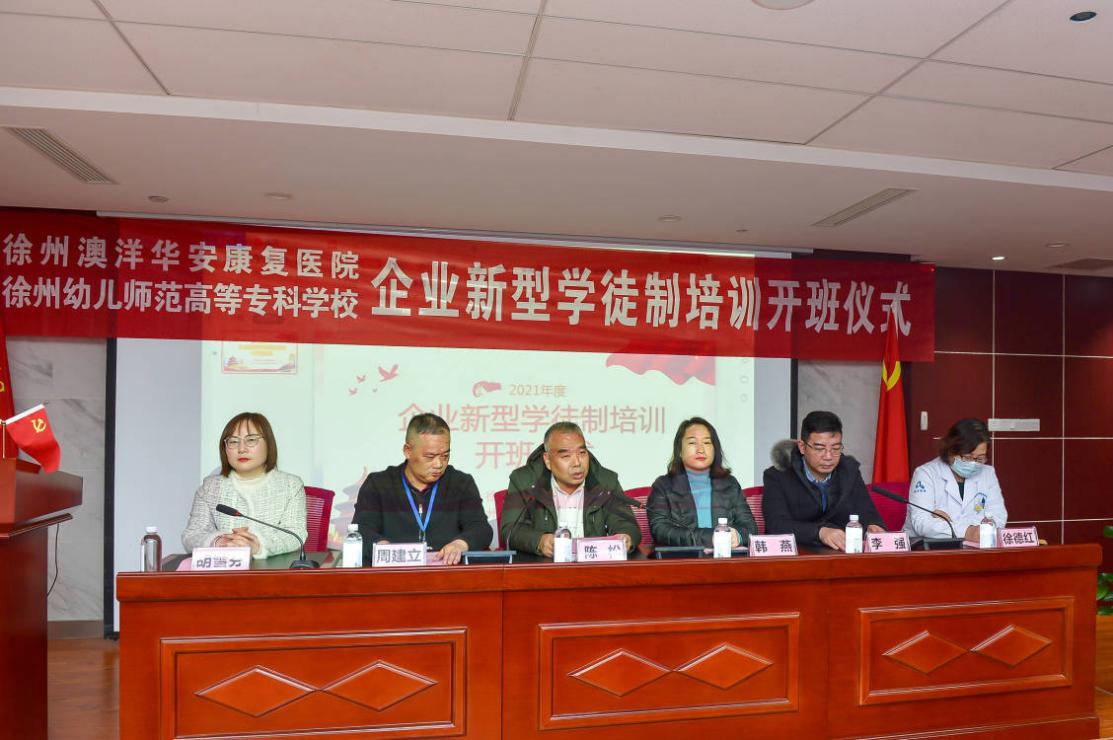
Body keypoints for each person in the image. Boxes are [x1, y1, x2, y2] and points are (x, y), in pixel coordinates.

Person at [354, 413, 492, 565]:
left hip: (446, 571)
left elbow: (480, 528)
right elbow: (362, 529)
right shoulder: (379, 485)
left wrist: (460, 544)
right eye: (430, 457)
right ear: (408, 451)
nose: (439, 464)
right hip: (393, 570)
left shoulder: (460, 483)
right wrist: (384, 548)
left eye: (445, 456)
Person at [501, 421, 640, 557]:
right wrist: (540, 541)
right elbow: (510, 530)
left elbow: (626, 524)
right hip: (544, 567)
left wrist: (626, 537)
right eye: (566, 456)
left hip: (594, 566)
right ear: (547, 460)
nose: (577, 463)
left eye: (582, 453)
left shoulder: (606, 481)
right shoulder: (524, 481)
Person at [182, 412, 307, 559]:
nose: (242, 449)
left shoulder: (291, 486)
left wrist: (258, 545)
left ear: (269, 444)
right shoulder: (210, 488)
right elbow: (192, 535)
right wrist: (219, 542)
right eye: (233, 442)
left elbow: (295, 533)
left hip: (275, 569)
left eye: (251, 440)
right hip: (225, 568)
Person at [762, 410, 885, 550]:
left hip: (841, 555)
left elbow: (867, 513)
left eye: (836, 448)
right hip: (797, 555)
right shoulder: (778, 476)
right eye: (819, 449)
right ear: (802, 447)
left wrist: (873, 526)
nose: (828, 456)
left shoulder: (849, 471)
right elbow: (776, 525)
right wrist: (819, 532)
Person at [647, 417, 757, 548]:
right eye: (692, 443)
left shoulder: (730, 484)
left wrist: (737, 536)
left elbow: (749, 526)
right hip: (684, 558)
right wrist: (710, 538)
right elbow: (660, 530)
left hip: (726, 556)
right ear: (679, 451)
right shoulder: (663, 485)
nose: (701, 449)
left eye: (707, 442)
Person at [904, 417, 1007, 539]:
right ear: (951, 451)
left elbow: (998, 517)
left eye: (980, 458)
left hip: (976, 545)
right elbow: (922, 523)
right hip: (928, 546)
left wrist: (951, 524)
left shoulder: (988, 473)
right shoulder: (926, 474)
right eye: (968, 457)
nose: (974, 463)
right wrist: (968, 531)